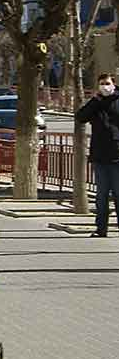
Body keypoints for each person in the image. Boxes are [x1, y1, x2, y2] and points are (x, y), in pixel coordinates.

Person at [75, 72, 119, 237]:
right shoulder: (97, 103)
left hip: (117, 156)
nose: (105, 87)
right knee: (101, 195)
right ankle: (101, 229)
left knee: (118, 194)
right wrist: (95, 100)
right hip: (100, 156)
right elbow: (81, 117)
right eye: (102, 84)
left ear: (114, 85)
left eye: (107, 83)